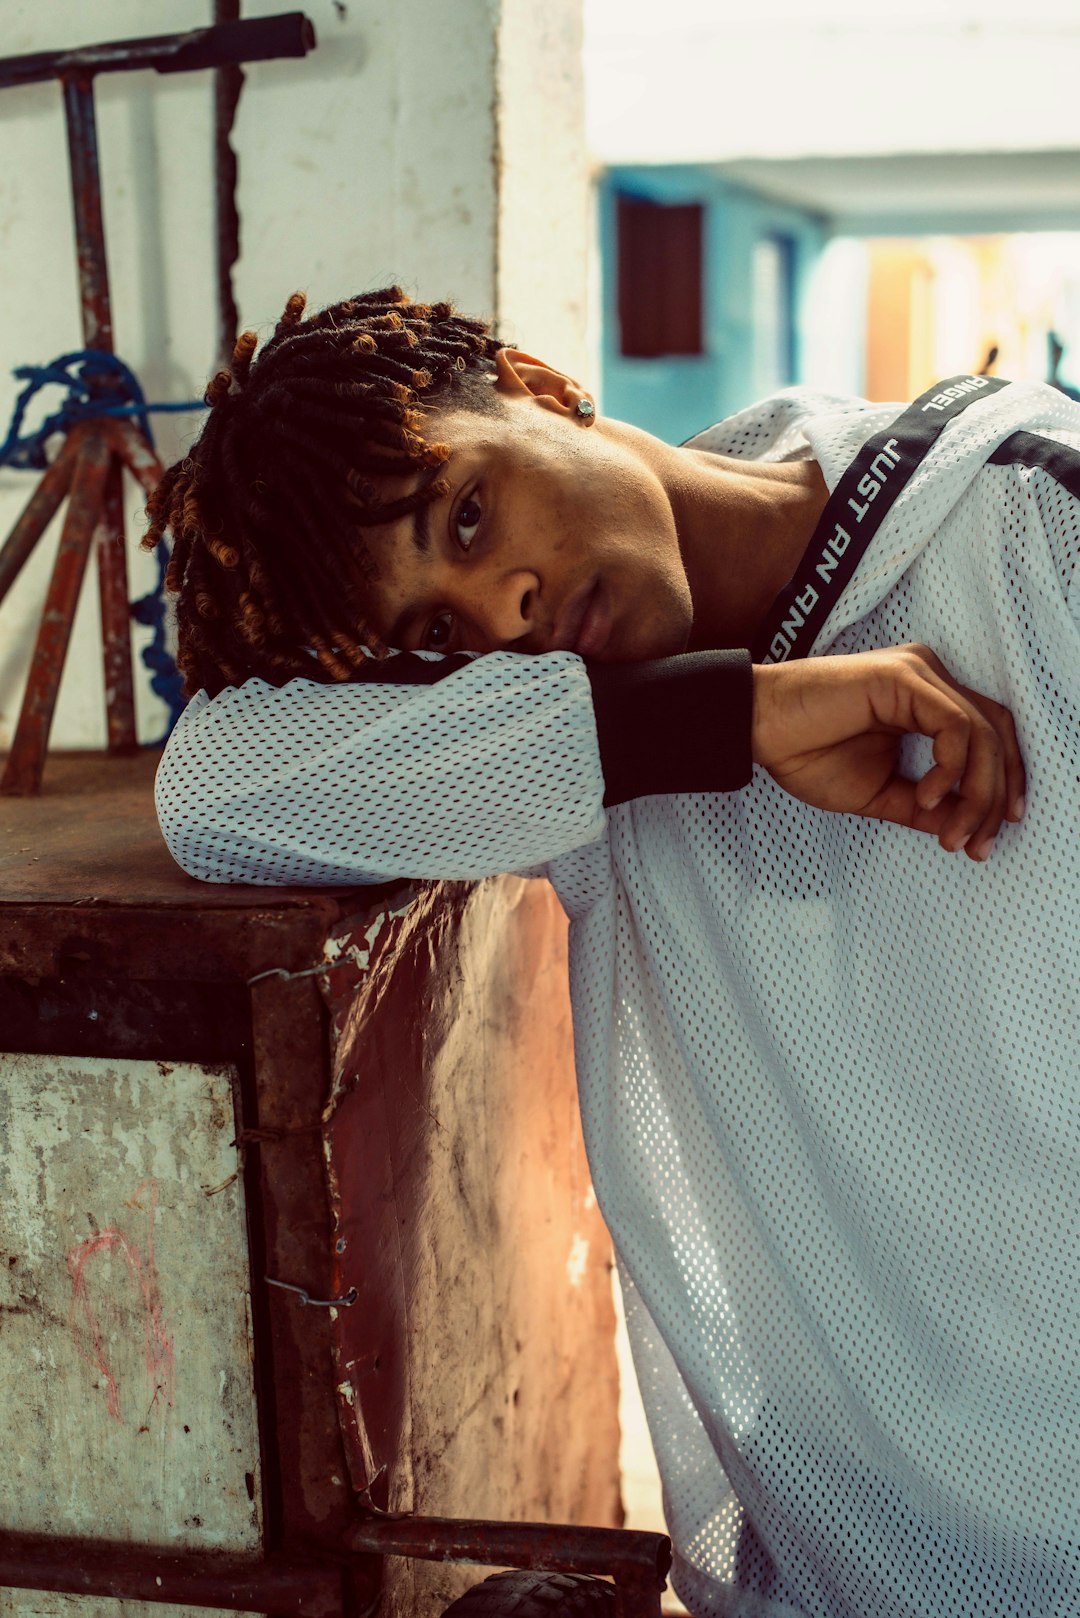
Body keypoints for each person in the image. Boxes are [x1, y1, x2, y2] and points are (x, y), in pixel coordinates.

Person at [146, 289, 1080, 1618]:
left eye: (464, 513)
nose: (506, 609)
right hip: (854, 1572)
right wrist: (725, 720)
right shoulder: (568, 745)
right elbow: (210, 789)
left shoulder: (1035, 529)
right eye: (436, 636)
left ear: (534, 381)